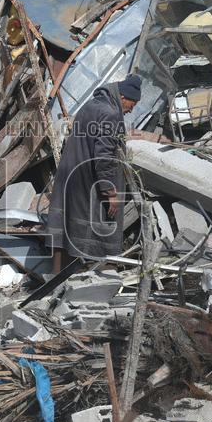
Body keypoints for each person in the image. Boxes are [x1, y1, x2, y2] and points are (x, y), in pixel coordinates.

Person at [46, 74, 142, 273]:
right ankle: (89, 278)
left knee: (66, 227)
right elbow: (104, 156)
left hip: (70, 175)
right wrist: (111, 192)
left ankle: (56, 277)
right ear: (123, 97)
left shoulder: (90, 105)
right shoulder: (111, 113)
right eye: (133, 103)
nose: (132, 109)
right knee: (95, 230)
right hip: (87, 181)